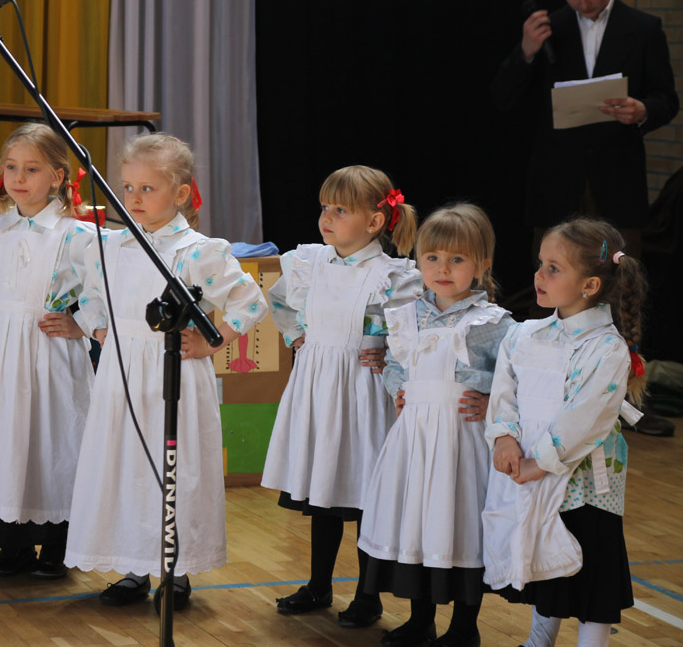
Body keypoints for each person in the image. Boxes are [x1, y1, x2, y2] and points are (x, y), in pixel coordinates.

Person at [65, 133, 267, 612]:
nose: (134, 198)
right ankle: (133, 566)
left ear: (180, 193)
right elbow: (89, 296)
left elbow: (249, 302)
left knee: (173, 468)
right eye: (127, 187)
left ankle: (175, 571)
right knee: (125, 464)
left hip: (172, 370)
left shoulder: (198, 250)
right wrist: (100, 329)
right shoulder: (110, 245)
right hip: (121, 373)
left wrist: (213, 340)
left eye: (147, 189)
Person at [262, 165, 420, 628]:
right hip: (318, 388)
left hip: (363, 394)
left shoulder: (393, 276)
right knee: (324, 489)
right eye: (324, 208)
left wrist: (389, 355)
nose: (326, 218)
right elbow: (280, 301)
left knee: (364, 493)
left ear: (374, 222)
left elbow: (410, 333)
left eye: (340, 210)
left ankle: (368, 597)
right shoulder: (309, 262)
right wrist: (296, 335)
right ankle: (319, 585)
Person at [482, 218, 646, 647]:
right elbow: (504, 390)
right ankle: (538, 641)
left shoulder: (607, 349)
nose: (539, 275)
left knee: (592, 577)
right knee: (548, 565)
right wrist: (504, 436)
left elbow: (585, 418)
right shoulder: (524, 335)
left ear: (590, 285)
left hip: (586, 486)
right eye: (540, 264)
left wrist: (541, 462)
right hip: (531, 469)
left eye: (553, 268)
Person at [358, 204, 514, 647]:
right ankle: (420, 620)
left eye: (457, 259)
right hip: (414, 440)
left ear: (481, 264)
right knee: (416, 523)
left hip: (463, 444)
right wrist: (397, 388)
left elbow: (513, 379)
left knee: (459, 523)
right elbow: (394, 364)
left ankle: (464, 627)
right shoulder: (405, 314)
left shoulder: (495, 323)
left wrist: (491, 400)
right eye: (432, 258)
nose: (442, 269)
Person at [0, 124, 94, 578]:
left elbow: (100, 291)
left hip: (45, 352)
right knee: (2, 441)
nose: (18, 177)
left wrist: (81, 323)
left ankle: (55, 544)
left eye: (32, 169)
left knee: (49, 440)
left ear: (57, 176)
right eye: (11, 167)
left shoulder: (75, 234)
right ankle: (11, 543)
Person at [492, 0, 678, 258]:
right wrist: (526, 52)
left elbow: (667, 99)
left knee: (619, 278)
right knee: (552, 277)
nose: (585, 4)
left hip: (617, 182)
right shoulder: (549, 29)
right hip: (556, 183)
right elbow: (502, 96)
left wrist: (642, 110)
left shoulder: (644, 28)